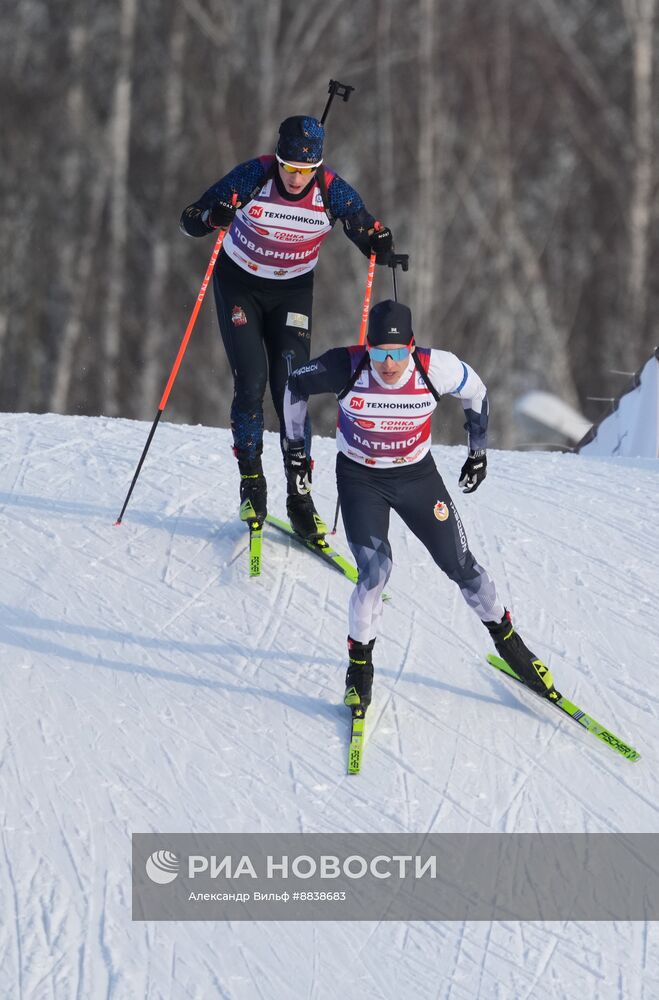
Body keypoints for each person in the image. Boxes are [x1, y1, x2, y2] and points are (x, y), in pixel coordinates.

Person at [282, 298, 560, 714]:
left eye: (397, 354)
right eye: (379, 353)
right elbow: (295, 385)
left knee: (460, 564)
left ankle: (509, 643)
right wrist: (296, 453)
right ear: (367, 347)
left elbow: (477, 392)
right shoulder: (346, 365)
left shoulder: (436, 367)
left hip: (417, 478)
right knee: (375, 572)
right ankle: (359, 669)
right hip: (361, 479)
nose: (388, 364)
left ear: (411, 347)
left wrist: (477, 452)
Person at [180, 115, 393, 540]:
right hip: (239, 284)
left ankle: (300, 500)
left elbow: (366, 229)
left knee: (292, 388)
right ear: (277, 160)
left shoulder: (332, 190)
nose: (296, 178)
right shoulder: (252, 176)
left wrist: (380, 243)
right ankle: (252, 486)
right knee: (252, 381)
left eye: (305, 171)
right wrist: (212, 217)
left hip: (291, 292)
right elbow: (189, 218)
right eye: (289, 167)